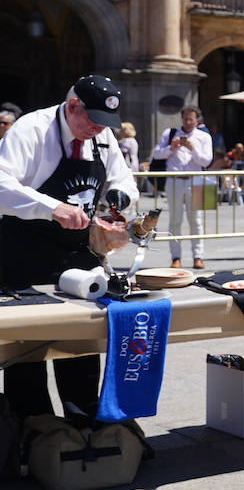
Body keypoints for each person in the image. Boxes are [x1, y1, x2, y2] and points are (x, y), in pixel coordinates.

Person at [0, 75, 138, 423]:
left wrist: (120, 195)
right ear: (72, 106)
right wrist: (51, 208)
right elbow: (1, 184)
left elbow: (123, 177)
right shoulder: (31, 129)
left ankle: (83, 423)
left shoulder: (102, 135)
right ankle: (33, 429)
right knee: (27, 351)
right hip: (23, 253)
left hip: (77, 258)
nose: (98, 129)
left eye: (105, 123)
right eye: (92, 120)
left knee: (80, 342)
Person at [151, 106, 213, 269]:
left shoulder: (204, 137)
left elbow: (206, 161)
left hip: (196, 181)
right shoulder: (170, 133)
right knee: (175, 220)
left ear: (197, 120)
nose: (187, 122)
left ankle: (198, 256)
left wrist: (192, 149)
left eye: (191, 119)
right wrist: (171, 148)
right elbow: (157, 154)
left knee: (196, 220)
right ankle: (176, 257)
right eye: (185, 118)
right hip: (174, 180)